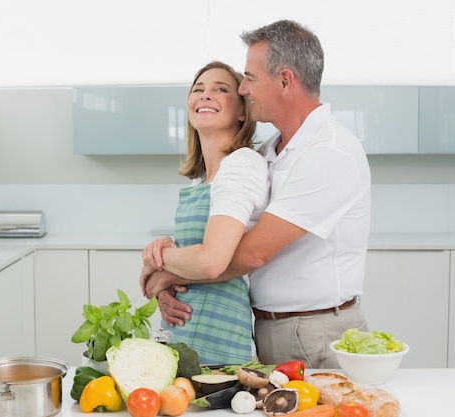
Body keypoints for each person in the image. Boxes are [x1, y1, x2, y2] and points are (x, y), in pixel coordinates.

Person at [141, 20, 371, 369]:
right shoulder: (268, 153)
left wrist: (167, 271)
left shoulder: (328, 152)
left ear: (285, 80)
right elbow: (223, 234)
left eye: (249, 78)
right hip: (268, 326)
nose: (244, 89)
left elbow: (253, 252)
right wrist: (168, 271)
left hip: (314, 331)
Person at [139, 61, 268, 365]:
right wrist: (167, 280)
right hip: (184, 336)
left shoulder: (241, 163)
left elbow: (211, 261)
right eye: (198, 89)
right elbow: (198, 252)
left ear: (241, 111)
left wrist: (156, 263)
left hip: (219, 344)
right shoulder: (202, 180)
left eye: (220, 89)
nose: (205, 95)